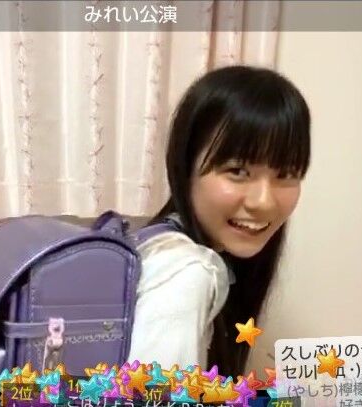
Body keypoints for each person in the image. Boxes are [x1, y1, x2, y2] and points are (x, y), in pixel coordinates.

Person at [127, 65, 311, 377]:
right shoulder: (186, 273)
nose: (264, 201)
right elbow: (152, 395)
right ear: (185, 167)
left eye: (286, 174)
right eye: (238, 171)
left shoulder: (165, 243)